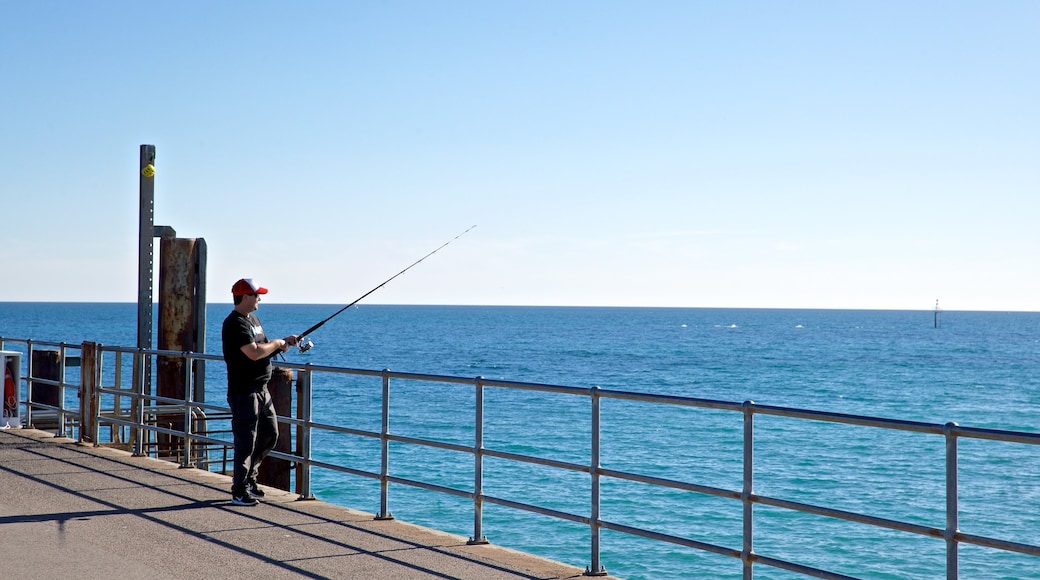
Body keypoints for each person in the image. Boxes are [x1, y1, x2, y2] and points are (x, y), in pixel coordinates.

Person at [221, 278, 299, 506]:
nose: (259, 299)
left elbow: (263, 349)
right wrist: (276, 343)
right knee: (246, 440)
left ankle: (249, 480)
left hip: (262, 390)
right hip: (244, 391)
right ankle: (238, 490)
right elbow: (253, 352)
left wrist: (285, 342)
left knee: (270, 434)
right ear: (245, 297)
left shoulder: (253, 319)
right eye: (256, 295)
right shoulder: (235, 323)